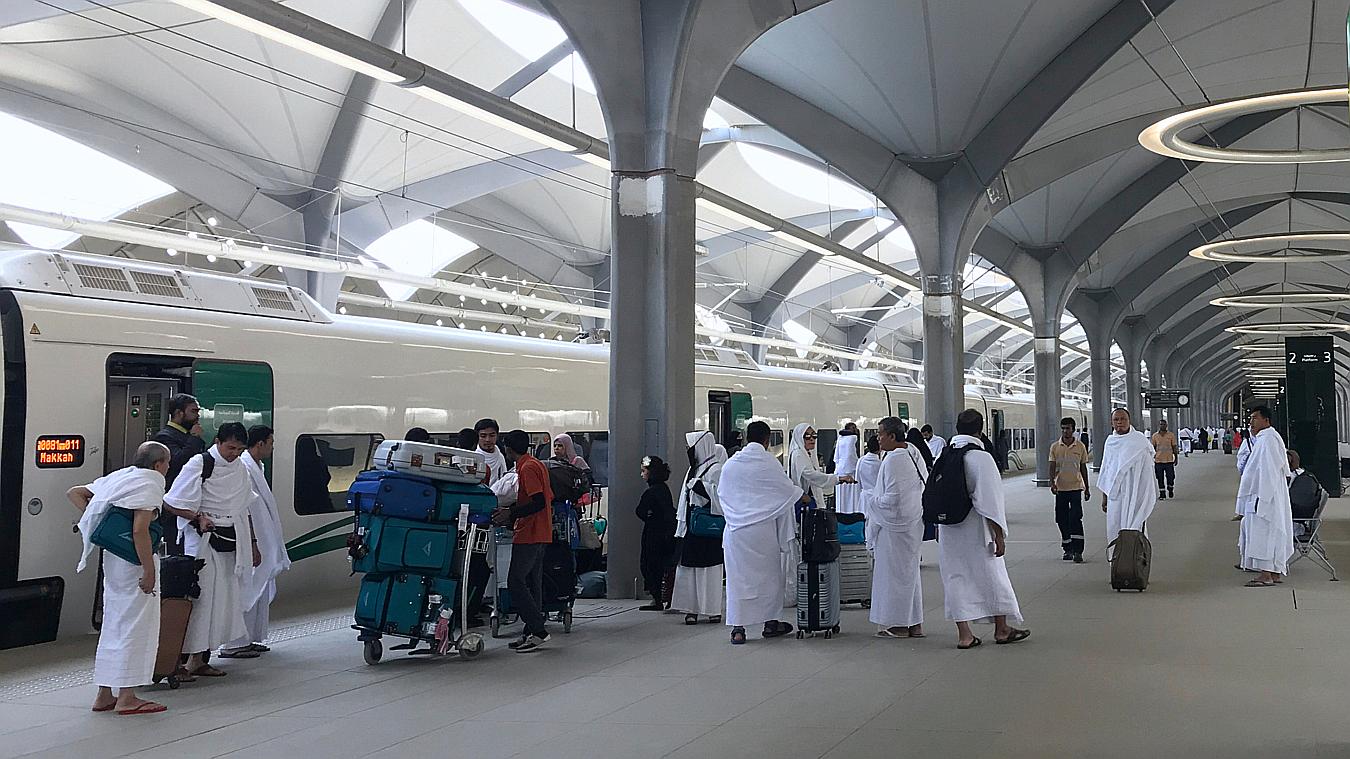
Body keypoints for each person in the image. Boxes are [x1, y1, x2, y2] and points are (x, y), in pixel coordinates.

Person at [70, 441, 171, 716]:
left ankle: (104, 693)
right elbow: (140, 530)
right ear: (158, 464)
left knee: (114, 623)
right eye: (167, 464)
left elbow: (75, 493)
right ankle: (127, 697)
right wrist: (148, 569)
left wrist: (103, 524)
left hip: (113, 559)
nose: (167, 469)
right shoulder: (151, 482)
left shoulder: (121, 476)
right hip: (135, 562)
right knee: (137, 625)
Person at [162, 422, 258, 678]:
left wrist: (253, 543)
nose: (234, 453)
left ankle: (200, 658)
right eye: (230, 447)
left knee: (221, 602)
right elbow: (172, 503)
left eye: (239, 449)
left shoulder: (240, 469)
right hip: (200, 542)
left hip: (230, 542)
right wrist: (197, 518)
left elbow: (244, 507)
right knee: (198, 600)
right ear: (217, 442)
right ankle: (178, 662)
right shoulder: (199, 463)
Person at [936, 409, 1028, 649]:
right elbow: (991, 502)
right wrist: (999, 535)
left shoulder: (944, 454)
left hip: (949, 529)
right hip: (975, 528)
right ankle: (1002, 628)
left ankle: (965, 635)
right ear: (981, 428)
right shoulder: (981, 457)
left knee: (955, 578)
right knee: (992, 575)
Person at [720, 421, 801, 644]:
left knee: (738, 581)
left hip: (736, 532)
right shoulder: (768, 462)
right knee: (769, 578)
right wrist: (801, 494)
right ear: (767, 440)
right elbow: (785, 491)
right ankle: (771, 623)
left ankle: (738, 629)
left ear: (746, 438)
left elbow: (722, 495)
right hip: (762, 531)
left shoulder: (731, 464)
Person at [220, 426, 288, 659]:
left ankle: (250, 638)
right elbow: (244, 508)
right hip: (251, 539)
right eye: (271, 442)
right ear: (260, 443)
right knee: (246, 589)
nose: (272, 447)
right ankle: (234, 643)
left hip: (261, 539)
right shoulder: (245, 468)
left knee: (258, 589)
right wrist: (253, 541)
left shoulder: (256, 466)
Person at [491, 430, 554, 652]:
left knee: (515, 582)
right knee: (532, 584)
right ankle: (530, 632)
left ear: (508, 448)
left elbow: (537, 502)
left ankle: (538, 630)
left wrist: (511, 514)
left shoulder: (527, 468)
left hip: (530, 533)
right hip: (540, 533)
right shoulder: (535, 464)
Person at [869, 417, 928, 639]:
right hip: (913, 523)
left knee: (893, 576)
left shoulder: (895, 459)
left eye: (880, 434)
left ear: (892, 436)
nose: (878, 438)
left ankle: (898, 625)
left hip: (896, 528)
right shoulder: (912, 451)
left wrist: (871, 501)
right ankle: (914, 623)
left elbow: (893, 500)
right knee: (909, 575)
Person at [1236, 406, 1294, 587]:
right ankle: (1274, 572)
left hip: (1264, 496)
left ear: (1266, 420)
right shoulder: (1266, 439)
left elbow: (1268, 470)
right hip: (1265, 495)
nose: (1251, 422)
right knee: (1270, 532)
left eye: (1255, 418)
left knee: (1263, 532)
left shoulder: (1268, 439)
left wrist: (1263, 497)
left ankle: (1266, 574)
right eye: (1250, 418)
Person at [674, 433, 725, 624]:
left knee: (710, 568)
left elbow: (721, 497)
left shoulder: (716, 469)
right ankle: (691, 608)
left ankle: (712, 609)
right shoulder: (692, 470)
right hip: (692, 526)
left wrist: (701, 486)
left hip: (708, 527)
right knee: (690, 568)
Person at [1098, 409, 1157, 551]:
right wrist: (1104, 497)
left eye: (1123, 419)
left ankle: (1135, 562)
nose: (1119, 423)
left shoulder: (1140, 441)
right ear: (1112, 423)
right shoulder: (1110, 442)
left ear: (1129, 420)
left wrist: (1144, 495)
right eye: (1116, 420)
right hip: (1115, 498)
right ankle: (1117, 563)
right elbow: (1107, 470)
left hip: (1135, 494)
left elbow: (1148, 472)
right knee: (1114, 528)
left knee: (1135, 528)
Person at [635, 456, 677, 611]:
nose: (642, 474)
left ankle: (657, 597)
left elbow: (640, 511)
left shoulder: (651, 492)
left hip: (654, 534)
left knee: (650, 564)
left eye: (644, 471)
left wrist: (650, 517)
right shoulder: (664, 489)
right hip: (666, 533)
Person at [1048, 417, 1091, 563]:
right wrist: (1052, 483)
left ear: (1073, 429)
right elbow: (1052, 466)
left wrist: (1087, 488)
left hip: (1075, 488)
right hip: (1060, 488)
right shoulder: (1055, 447)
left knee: (1075, 518)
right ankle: (1067, 548)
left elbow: (1083, 467)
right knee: (1061, 518)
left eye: (1068, 428)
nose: (1065, 431)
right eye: (1063, 428)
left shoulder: (1080, 447)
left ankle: (1078, 551)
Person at [857, 435, 884, 549]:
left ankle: (866, 543)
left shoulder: (861, 460)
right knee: (874, 523)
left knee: (865, 521)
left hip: (864, 495)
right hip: (876, 497)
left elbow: (857, 479)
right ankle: (872, 544)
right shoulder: (880, 464)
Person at [834, 423, 863, 514]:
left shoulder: (840, 439)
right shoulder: (853, 438)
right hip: (851, 471)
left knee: (841, 499)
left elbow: (837, 457)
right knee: (851, 498)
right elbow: (851, 455)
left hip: (840, 470)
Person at [1150, 419, 1179, 499]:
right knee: (1159, 477)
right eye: (1161, 424)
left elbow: (1174, 447)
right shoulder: (1155, 436)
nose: (1162, 426)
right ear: (1159, 425)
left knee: (1171, 477)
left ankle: (1170, 488)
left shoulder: (1171, 435)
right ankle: (1162, 493)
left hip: (1169, 460)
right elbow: (1152, 448)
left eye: (1164, 424)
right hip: (1158, 460)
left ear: (1166, 426)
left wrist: (1176, 458)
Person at [475, 418, 507, 484]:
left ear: (497, 436)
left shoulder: (502, 456)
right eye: (483, 436)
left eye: (492, 435)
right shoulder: (473, 458)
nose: (488, 440)